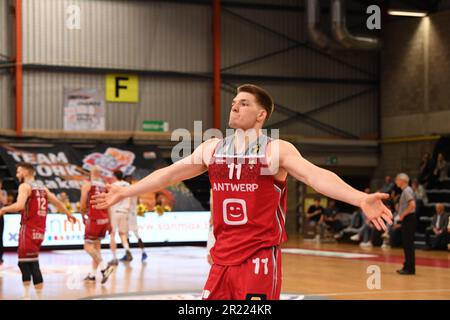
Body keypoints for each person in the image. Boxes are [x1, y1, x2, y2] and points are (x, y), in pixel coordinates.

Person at [92, 84, 392, 300]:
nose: (235, 105)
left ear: (261, 115)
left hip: (258, 255)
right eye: (234, 101)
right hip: (221, 258)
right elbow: (169, 174)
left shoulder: (275, 149)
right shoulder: (213, 148)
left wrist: (360, 198)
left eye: (244, 103)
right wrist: (127, 192)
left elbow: (316, 177)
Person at [0, 163, 76, 299]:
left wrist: (3, 209)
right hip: (40, 231)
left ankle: (28, 296)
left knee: (26, 263)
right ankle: (31, 296)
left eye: (18, 172)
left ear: (25, 172)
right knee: (32, 262)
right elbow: (57, 203)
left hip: (28, 229)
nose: (17, 175)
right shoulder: (43, 188)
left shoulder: (24, 186)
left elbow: (19, 205)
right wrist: (69, 214)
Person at [79, 167, 114, 284]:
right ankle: (92, 275)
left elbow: (83, 201)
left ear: (91, 173)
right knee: (96, 248)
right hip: (104, 220)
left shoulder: (88, 184)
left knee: (87, 247)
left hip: (94, 219)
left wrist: (82, 213)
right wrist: (110, 222)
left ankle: (105, 268)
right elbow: (109, 204)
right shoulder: (105, 185)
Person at [108, 170, 133, 265]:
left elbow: (109, 200)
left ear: (114, 176)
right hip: (125, 211)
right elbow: (130, 199)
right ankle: (127, 250)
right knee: (123, 234)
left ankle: (114, 258)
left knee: (112, 234)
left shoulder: (113, 185)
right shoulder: (127, 185)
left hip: (115, 211)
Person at [395, 173, 416, 275]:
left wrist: (403, 214)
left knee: (408, 244)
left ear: (402, 180)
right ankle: (407, 266)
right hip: (408, 219)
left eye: (397, 179)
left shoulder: (407, 190)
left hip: (408, 219)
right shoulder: (407, 190)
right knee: (407, 244)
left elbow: (412, 205)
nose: (396, 181)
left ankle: (409, 268)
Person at [123, 175, 147, 262]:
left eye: (128, 179)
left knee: (135, 234)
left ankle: (143, 252)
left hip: (130, 214)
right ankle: (128, 254)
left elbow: (133, 202)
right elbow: (138, 202)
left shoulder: (129, 189)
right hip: (130, 213)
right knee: (126, 235)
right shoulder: (132, 189)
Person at [0, 178, 7, 265]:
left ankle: (0, 257)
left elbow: (4, 202)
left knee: (0, 237)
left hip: (0, 217)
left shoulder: (3, 192)